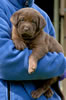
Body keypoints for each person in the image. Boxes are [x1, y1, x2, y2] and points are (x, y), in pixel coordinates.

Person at [0, 0, 66, 100]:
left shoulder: (43, 15)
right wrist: (60, 64)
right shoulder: (2, 7)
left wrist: (59, 66)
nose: (26, 26)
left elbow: (54, 53)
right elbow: (4, 62)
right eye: (22, 21)